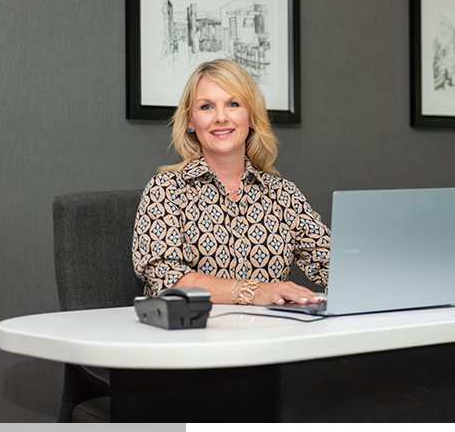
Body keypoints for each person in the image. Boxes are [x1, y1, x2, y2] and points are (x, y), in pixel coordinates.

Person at [132, 59, 329, 306]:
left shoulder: (283, 194)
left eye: (233, 104)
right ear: (191, 122)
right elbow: (167, 280)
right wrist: (256, 292)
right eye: (206, 107)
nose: (221, 117)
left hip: (271, 337)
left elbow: (332, 264)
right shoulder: (165, 190)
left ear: (252, 117)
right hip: (191, 336)